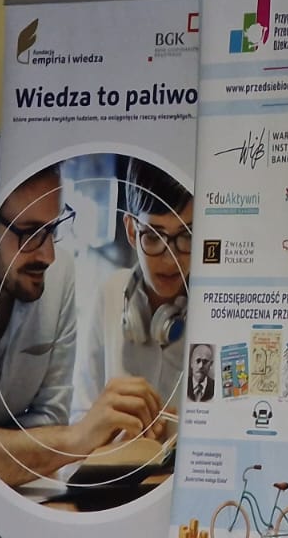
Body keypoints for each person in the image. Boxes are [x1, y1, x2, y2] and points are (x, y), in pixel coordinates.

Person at [0, 164, 165, 487]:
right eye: (30, 233)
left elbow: (50, 417)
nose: (48, 255)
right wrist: (77, 438)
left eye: (53, 229)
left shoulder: (60, 274)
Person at [73, 159, 193, 423]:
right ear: (130, 230)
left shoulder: (216, 309)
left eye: (186, 236)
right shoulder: (109, 294)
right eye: (153, 236)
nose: (170, 258)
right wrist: (108, 428)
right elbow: (79, 418)